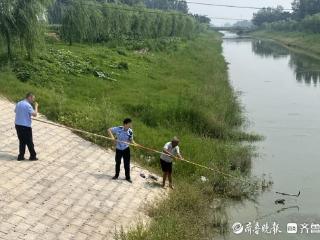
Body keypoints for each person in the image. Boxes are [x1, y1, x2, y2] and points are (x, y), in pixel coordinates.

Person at [108, 118, 137, 183]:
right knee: (118, 163)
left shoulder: (130, 131)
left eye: (130, 124)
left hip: (126, 149)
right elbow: (109, 130)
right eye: (129, 124)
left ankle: (128, 177)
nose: (130, 125)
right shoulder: (118, 128)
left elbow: (131, 140)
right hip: (118, 149)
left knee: (127, 164)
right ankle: (116, 175)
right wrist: (112, 138)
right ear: (125, 124)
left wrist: (134, 144)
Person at [15, 92, 38, 161]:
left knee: (22, 141)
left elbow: (15, 111)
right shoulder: (28, 105)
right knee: (29, 142)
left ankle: (21, 156)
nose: (33, 100)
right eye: (33, 99)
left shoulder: (19, 103)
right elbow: (34, 114)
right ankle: (33, 156)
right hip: (25, 126)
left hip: (17, 125)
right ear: (29, 97)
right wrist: (36, 107)